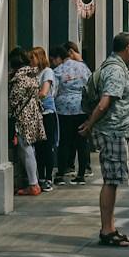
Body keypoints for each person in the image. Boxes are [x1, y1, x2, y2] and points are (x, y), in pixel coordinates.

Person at [81, 33, 129, 246]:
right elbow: (106, 102)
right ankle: (106, 229)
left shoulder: (113, 66)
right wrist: (90, 124)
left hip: (114, 129)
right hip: (111, 130)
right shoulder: (115, 70)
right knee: (111, 180)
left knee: (113, 181)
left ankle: (111, 227)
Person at [52, 41, 92, 184]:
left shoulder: (58, 70)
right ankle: (81, 174)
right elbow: (90, 85)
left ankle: (61, 173)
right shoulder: (83, 68)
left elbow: (54, 91)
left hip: (64, 110)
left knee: (65, 142)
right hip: (81, 108)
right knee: (81, 142)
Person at [9, 49, 46, 196]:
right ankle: (33, 180)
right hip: (33, 115)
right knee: (29, 149)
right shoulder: (32, 75)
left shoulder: (19, 78)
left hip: (23, 117)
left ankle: (33, 184)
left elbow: (13, 100)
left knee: (26, 148)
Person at [38, 46, 61, 190]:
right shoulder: (34, 73)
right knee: (39, 146)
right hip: (37, 113)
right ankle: (40, 176)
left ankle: (47, 177)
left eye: (33, 57)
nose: (30, 60)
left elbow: (44, 92)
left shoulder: (47, 72)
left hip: (47, 112)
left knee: (47, 146)